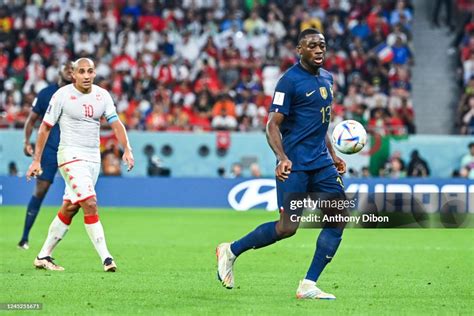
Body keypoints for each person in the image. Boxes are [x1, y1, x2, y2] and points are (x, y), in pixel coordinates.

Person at [216, 28, 347, 300]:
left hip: (321, 163)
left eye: (322, 44)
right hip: (295, 165)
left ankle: (308, 284)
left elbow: (319, 123)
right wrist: (282, 157)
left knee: (338, 216)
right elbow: (271, 125)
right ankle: (231, 250)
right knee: (287, 228)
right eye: (312, 45)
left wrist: (333, 155)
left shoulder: (327, 78)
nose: (319, 49)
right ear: (300, 50)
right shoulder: (289, 82)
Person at [26, 58, 134, 272]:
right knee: (90, 203)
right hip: (69, 155)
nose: (86, 75)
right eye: (81, 71)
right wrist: (37, 159)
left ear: (94, 74)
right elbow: (44, 128)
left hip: (93, 159)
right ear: (73, 74)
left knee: (71, 206)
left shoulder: (102, 96)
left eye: (90, 71)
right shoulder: (62, 95)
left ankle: (43, 256)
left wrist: (127, 149)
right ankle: (107, 258)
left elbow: (116, 124)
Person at [18, 61, 73, 250]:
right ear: (59, 70)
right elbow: (31, 120)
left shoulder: (78, 94)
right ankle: (24, 238)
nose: (69, 70)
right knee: (40, 191)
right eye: (67, 67)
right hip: (49, 150)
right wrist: (26, 142)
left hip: (72, 148)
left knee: (81, 196)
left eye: (72, 69)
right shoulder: (46, 93)